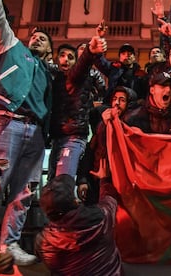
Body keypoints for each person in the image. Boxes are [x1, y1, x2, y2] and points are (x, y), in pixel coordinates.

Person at [0, 0, 53, 266]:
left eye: (42, 38)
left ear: (49, 49)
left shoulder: (47, 71)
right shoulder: (11, 45)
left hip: (34, 132)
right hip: (5, 124)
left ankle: (8, 246)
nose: (36, 39)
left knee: (24, 193)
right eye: (33, 35)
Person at [35, 174, 122, 275]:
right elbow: (109, 199)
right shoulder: (101, 219)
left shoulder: (44, 242)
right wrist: (104, 179)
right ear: (75, 202)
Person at [47, 40, 107, 181]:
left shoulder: (79, 76)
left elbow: (84, 66)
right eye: (62, 55)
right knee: (52, 181)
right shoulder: (56, 77)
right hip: (57, 136)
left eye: (70, 57)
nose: (65, 59)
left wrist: (90, 52)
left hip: (74, 136)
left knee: (63, 182)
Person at [77, 85, 137, 205]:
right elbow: (91, 152)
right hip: (96, 183)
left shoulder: (133, 128)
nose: (117, 103)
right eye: (114, 99)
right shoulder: (102, 125)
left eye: (122, 100)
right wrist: (82, 180)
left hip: (121, 188)